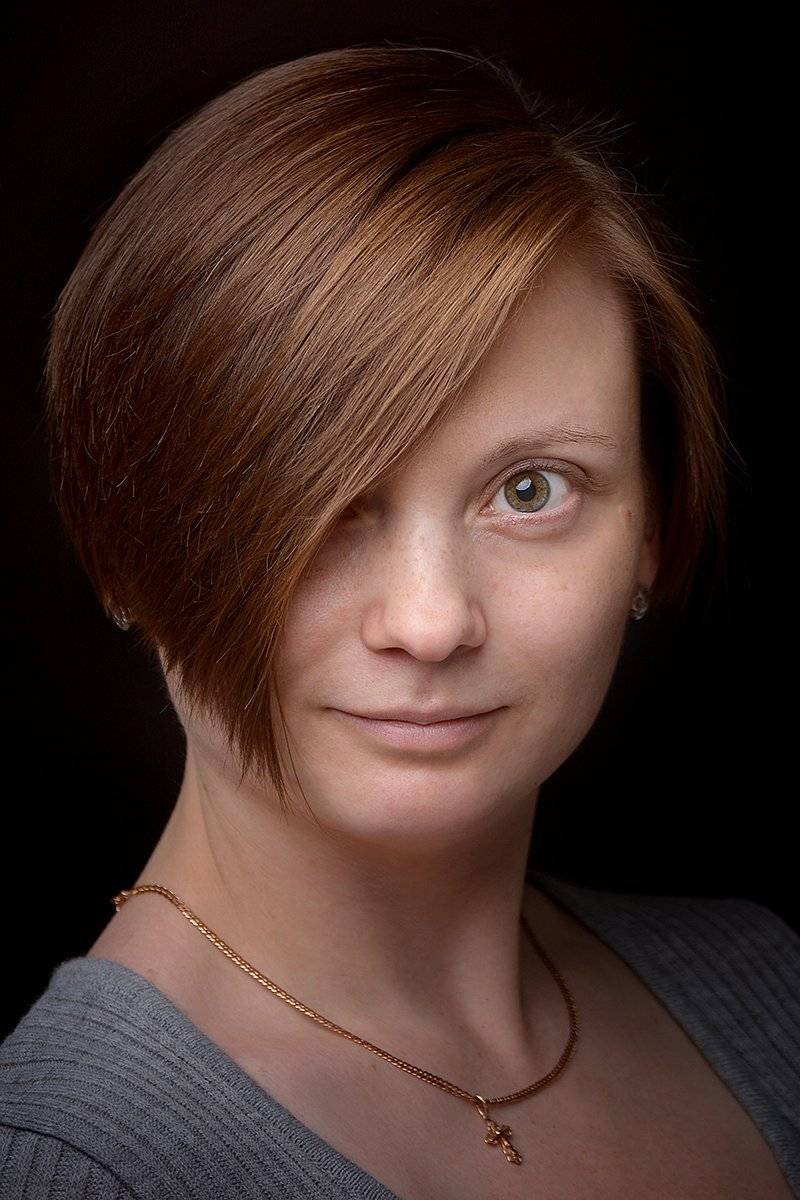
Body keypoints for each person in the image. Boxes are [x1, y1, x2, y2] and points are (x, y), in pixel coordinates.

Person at [1, 42, 797, 1200]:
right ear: (120, 549)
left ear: (652, 532)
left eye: (529, 489)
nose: (428, 623)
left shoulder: (771, 991)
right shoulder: (69, 1166)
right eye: (315, 501)